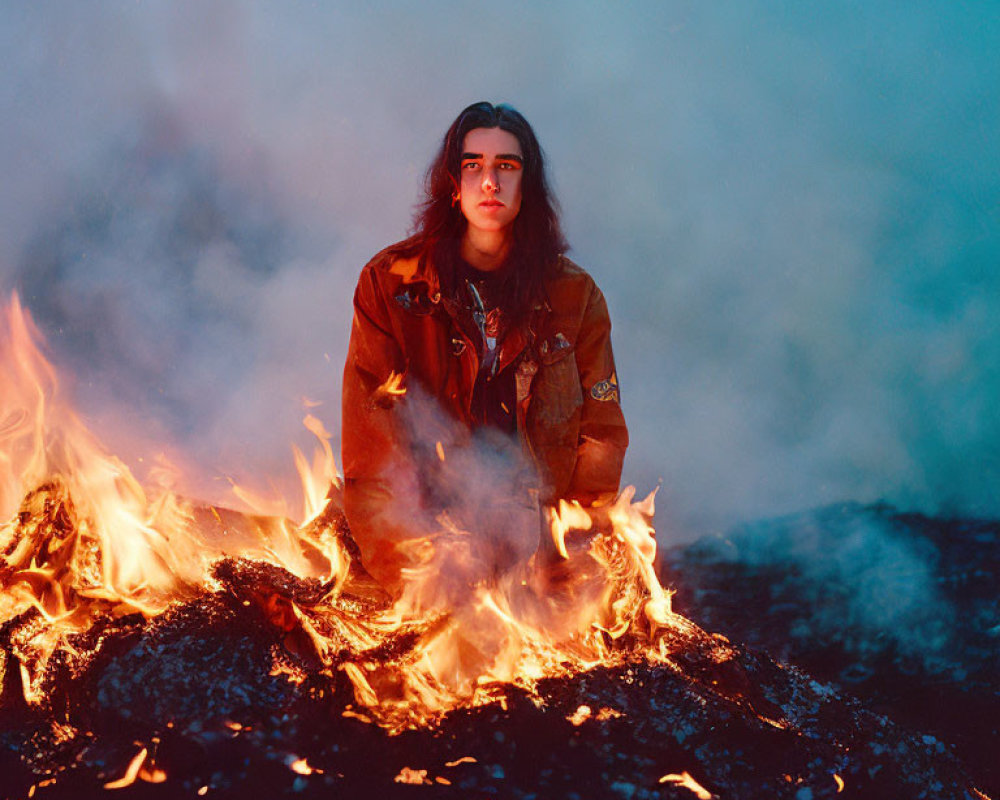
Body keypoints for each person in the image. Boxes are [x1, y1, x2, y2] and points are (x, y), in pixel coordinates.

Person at [341, 102, 628, 596]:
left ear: (527, 185)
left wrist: (563, 568)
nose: (489, 182)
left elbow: (600, 438)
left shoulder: (575, 297)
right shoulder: (390, 286)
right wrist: (416, 577)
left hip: (537, 557)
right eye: (473, 165)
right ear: (454, 184)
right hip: (426, 551)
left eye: (506, 166)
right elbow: (372, 453)